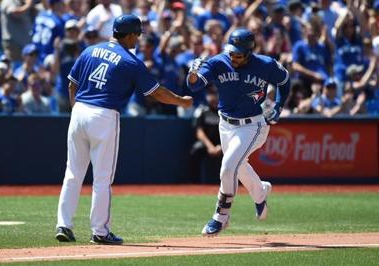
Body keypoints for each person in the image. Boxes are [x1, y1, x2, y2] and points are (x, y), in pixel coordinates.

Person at [55, 14, 193, 245]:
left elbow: (72, 84)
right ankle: (100, 231)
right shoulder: (130, 61)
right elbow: (156, 93)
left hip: (79, 111)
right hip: (104, 114)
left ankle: (63, 225)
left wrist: (76, 110)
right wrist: (181, 101)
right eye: (137, 35)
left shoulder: (90, 50)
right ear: (129, 35)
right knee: (102, 179)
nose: (137, 40)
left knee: (73, 173)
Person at [187, 27, 290, 236]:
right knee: (238, 166)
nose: (233, 57)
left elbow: (284, 80)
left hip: (253, 125)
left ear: (249, 52)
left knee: (228, 166)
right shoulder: (219, 62)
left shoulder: (265, 65)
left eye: (238, 54)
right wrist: (193, 74)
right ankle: (260, 192)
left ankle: (221, 216)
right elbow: (195, 87)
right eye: (231, 52)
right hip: (225, 124)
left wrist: (279, 106)